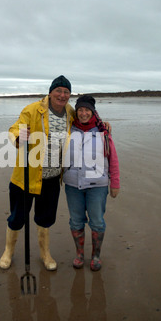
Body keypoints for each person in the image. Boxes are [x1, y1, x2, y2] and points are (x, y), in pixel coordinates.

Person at [0, 75, 74, 271]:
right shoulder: (32, 109)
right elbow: (14, 128)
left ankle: (45, 254)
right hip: (26, 177)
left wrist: (104, 125)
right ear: (50, 92)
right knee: (17, 218)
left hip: (52, 179)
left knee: (45, 218)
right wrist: (18, 136)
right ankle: (8, 252)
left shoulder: (70, 112)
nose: (62, 95)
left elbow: (87, 121)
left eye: (66, 92)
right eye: (58, 90)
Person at [62, 95, 120, 271]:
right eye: (80, 110)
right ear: (76, 111)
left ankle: (95, 256)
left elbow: (113, 159)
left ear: (93, 111)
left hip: (98, 185)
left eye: (87, 110)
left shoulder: (103, 132)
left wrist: (115, 182)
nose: (83, 113)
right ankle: (80, 254)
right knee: (76, 221)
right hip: (73, 185)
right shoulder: (68, 130)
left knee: (97, 222)